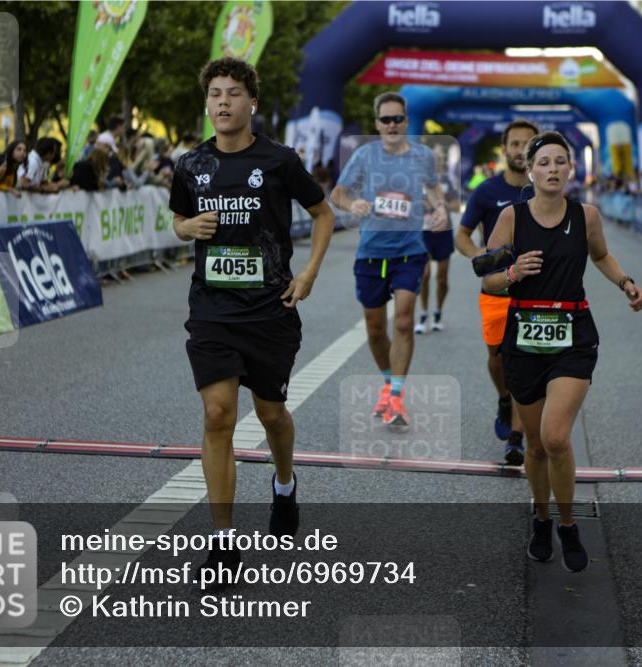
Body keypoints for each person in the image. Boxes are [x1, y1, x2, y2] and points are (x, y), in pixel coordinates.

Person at [169, 57, 334, 578]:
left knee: (270, 415)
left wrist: (307, 274)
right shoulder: (191, 165)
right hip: (212, 309)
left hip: (270, 310)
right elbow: (178, 220)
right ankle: (223, 545)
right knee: (218, 415)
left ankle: (284, 483)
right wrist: (187, 226)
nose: (223, 102)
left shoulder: (280, 160)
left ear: (252, 103)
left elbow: (323, 214)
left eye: (233, 93)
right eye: (214, 93)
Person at [481, 131, 642, 572]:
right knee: (535, 447)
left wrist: (626, 282)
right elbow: (488, 280)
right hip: (524, 342)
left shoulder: (586, 215)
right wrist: (513, 271)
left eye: (561, 162)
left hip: (573, 338)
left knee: (556, 437)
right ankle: (540, 517)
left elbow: (602, 256)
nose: (553, 169)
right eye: (545, 162)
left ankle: (568, 522)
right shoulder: (512, 219)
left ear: (570, 170)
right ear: (530, 170)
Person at [331, 92, 447, 426]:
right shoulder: (365, 155)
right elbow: (339, 193)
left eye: (398, 119)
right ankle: (387, 382)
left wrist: (438, 208)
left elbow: (434, 188)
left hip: (409, 250)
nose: (392, 125)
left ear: (406, 122)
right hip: (371, 253)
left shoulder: (422, 156)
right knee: (375, 327)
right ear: (377, 123)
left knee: (404, 320)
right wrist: (352, 205)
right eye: (386, 120)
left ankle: (396, 395)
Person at [456, 119, 538, 465]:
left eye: (528, 144)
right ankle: (504, 398)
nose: (521, 150)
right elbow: (461, 235)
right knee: (497, 358)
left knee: (522, 361)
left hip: (535, 290)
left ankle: (516, 438)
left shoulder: (545, 190)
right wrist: (482, 257)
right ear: (504, 150)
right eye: (515, 144)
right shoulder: (487, 192)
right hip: (495, 290)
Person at [415, 144, 460, 334]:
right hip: (423, 233)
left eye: (437, 159)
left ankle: (438, 312)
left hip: (442, 233)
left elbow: (457, 205)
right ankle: (423, 313)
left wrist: (440, 205)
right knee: (424, 275)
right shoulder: (415, 180)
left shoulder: (447, 181)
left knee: (441, 279)